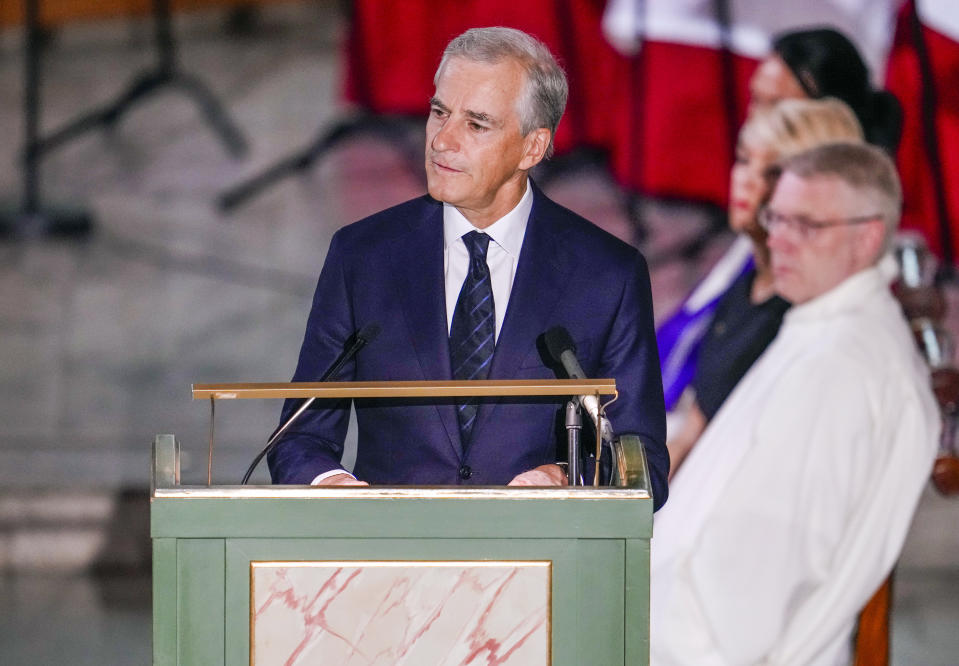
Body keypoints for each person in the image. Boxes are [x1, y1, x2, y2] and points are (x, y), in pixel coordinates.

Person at [267, 27, 669, 505]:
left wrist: (565, 479)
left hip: (539, 560)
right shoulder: (363, 256)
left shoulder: (607, 274)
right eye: (439, 112)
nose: (443, 140)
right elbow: (299, 437)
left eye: (476, 124)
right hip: (394, 553)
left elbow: (641, 461)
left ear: (532, 148)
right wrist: (330, 485)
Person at [650, 142, 939, 664]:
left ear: (868, 235)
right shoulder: (822, 323)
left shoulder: (843, 369)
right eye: (775, 217)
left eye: (805, 225)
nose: (777, 240)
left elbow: (756, 585)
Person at [658, 27, 903, 416]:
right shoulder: (757, 247)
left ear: (829, 123)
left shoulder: (808, 284)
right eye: (756, 101)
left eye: (779, 109)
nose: (755, 123)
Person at [666, 98, 864, 476]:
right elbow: (696, 422)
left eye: (773, 173)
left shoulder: (794, 318)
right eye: (743, 160)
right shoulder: (751, 277)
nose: (746, 180)